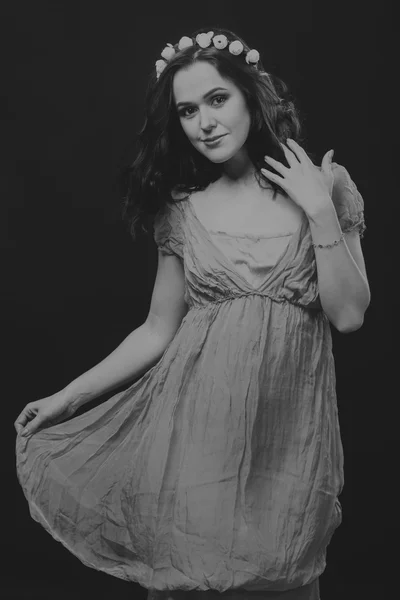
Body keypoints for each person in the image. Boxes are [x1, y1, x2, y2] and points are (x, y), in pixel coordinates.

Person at [15, 27, 370, 600]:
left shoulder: (324, 187)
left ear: (252, 98)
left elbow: (349, 315)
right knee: (186, 585)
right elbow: (158, 329)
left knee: (284, 581)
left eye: (217, 99)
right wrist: (67, 398)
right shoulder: (182, 210)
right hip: (194, 442)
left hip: (289, 447)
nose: (204, 121)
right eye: (186, 110)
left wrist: (320, 214)